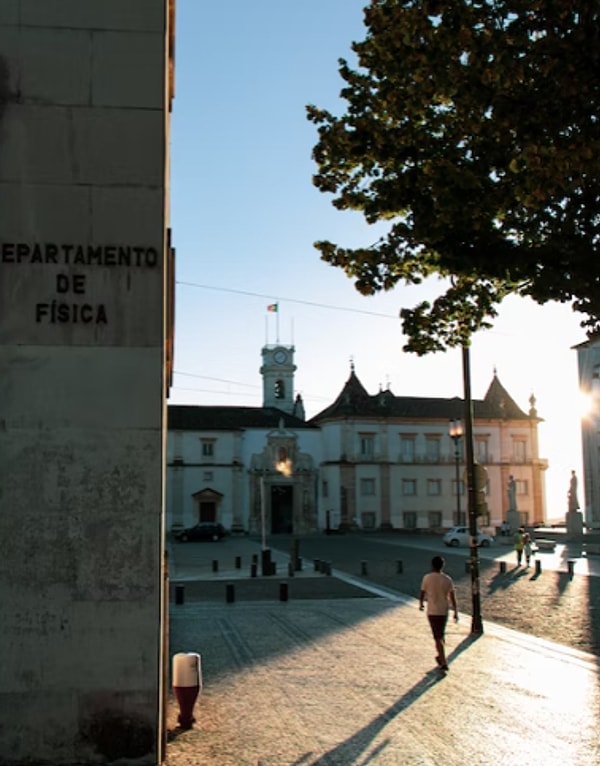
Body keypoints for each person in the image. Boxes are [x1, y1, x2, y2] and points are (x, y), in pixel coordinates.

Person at [419, 555, 458, 672]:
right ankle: (440, 656)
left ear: (432, 565)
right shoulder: (447, 579)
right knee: (441, 634)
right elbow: (452, 596)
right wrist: (455, 611)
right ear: (442, 566)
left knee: (437, 637)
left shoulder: (427, 578)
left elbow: (422, 592)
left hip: (432, 611)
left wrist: (421, 603)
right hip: (443, 610)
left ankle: (443, 661)